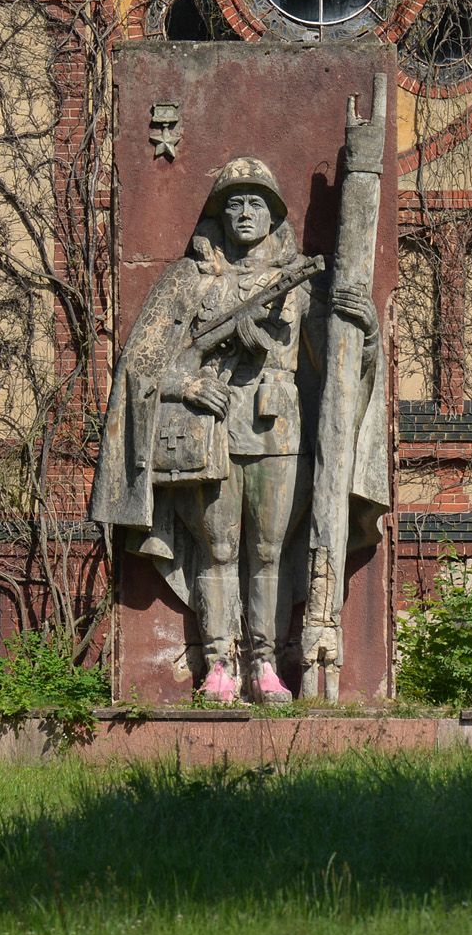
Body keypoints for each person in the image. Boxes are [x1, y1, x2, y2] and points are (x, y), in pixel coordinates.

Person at [91, 154, 386, 703]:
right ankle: (219, 664)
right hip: (213, 430)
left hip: (281, 433)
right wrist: (186, 385)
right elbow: (144, 363)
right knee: (220, 549)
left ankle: (265, 665)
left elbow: (336, 365)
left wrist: (364, 333)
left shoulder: (297, 286)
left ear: (274, 216)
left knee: (271, 552)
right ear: (217, 213)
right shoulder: (190, 280)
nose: (245, 213)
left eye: (257, 203)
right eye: (234, 203)